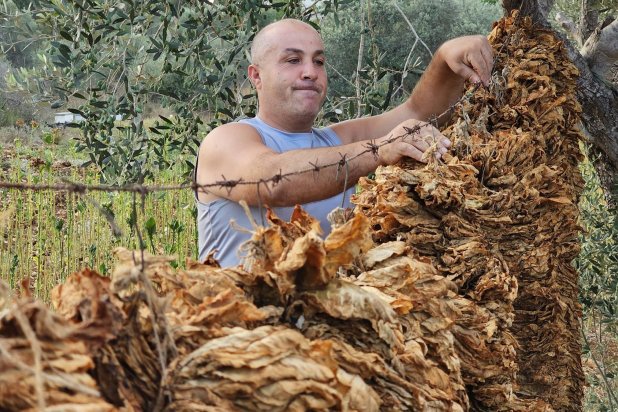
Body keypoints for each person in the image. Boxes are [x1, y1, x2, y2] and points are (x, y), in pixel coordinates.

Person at [195, 18, 493, 267]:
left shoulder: (337, 140)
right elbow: (275, 181)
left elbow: (418, 112)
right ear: (256, 76)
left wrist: (445, 58)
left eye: (319, 61)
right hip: (244, 330)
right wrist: (380, 149)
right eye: (292, 60)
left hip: (321, 333)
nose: (310, 71)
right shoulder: (225, 140)